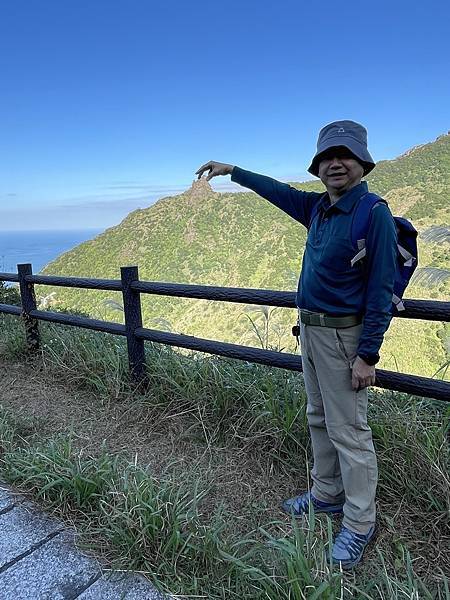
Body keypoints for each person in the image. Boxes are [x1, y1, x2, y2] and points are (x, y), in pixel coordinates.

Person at [195, 120, 398, 569]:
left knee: (350, 431)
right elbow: (275, 190)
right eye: (327, 157)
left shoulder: (372, 213)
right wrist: (233, 170)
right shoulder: (319, 209)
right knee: (318, 417)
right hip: (310, 331)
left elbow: (382, 290)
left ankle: (360, 523)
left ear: (362, 162)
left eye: (344, 155)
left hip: (345, 338)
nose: (335, 164)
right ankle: (326, 494)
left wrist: (368, 354)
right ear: (318, 167)